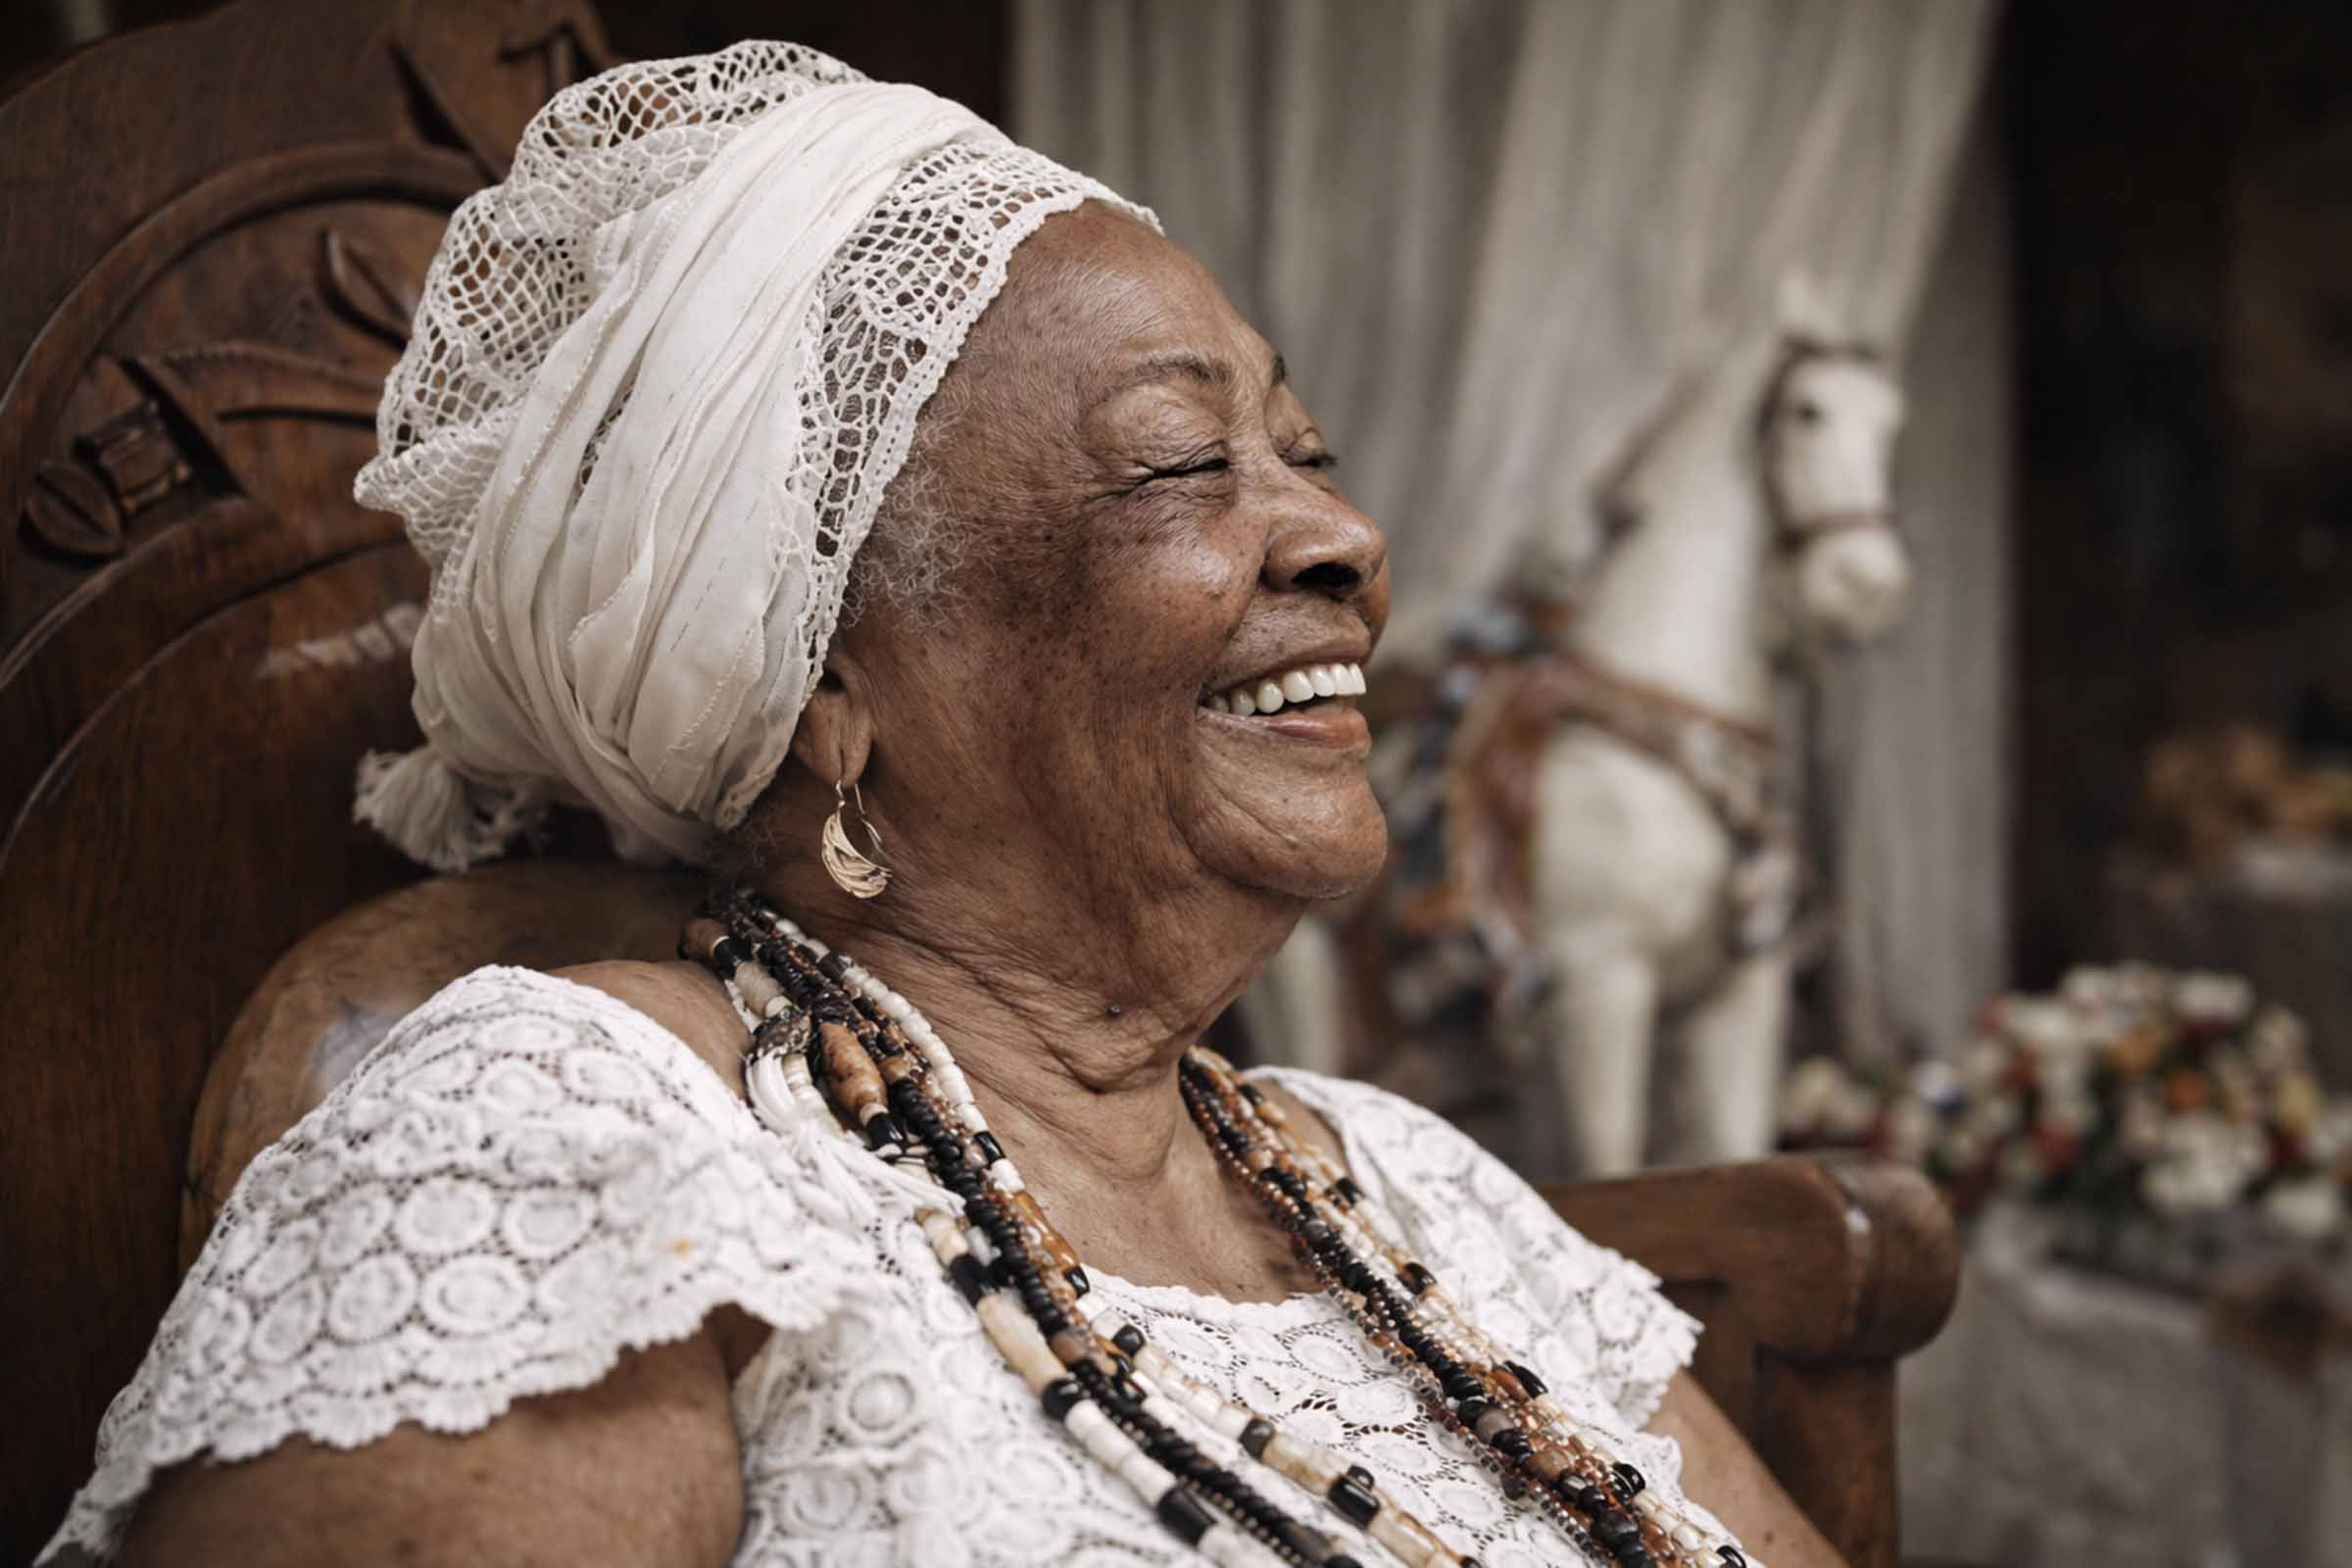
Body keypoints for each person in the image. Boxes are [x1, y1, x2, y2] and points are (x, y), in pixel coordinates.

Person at [41, 42, 1840, 1568]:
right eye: (1179, 465)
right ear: (825, 685)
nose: (1346, 546)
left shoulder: (1405, 1189)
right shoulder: (569, 1143)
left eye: (1306, 453)